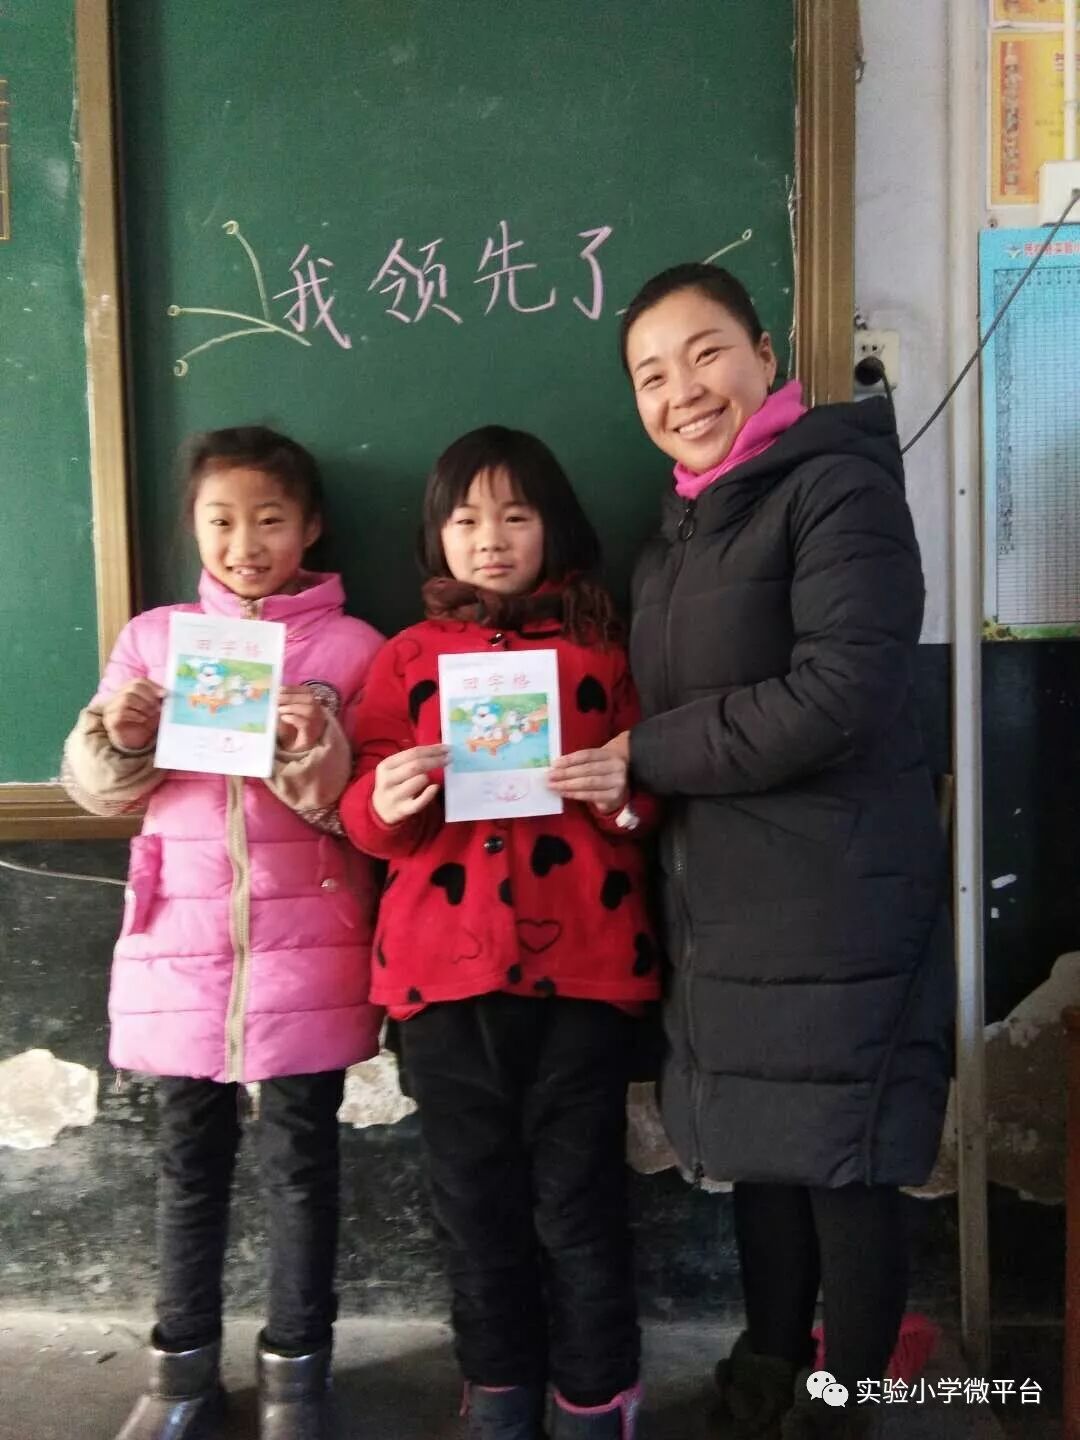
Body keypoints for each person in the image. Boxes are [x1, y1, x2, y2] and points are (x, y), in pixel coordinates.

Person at [613, 265, 953, 1439]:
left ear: (765, 355)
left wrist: (645, 755)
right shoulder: (671, 542)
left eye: (705, 352)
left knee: (843, 1160)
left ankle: (844, 1402)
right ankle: (767, 1367)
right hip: (725, 907)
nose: (683, 390)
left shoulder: (836, 490)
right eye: (651, 375)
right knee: (762, 1152)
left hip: (839, 900)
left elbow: (841, 692)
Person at [62, 426, 385, 1440]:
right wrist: (121, 736)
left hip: (311, 946)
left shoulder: (355, 648)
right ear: (194, 527)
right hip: (181, 943)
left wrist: (313, 747)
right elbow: (97, 791)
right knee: (185, 1164)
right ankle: (178, 1373)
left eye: (270, 520)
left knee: (301, 1166)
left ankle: (298, 1376)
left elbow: (366, 813)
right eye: (222, 521)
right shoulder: (156, 640)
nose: (246, 544)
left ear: (311, 527)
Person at [339, 425, 659, 1440]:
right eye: (467, 518)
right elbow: (364, 816)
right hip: (440, 977)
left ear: (553, 527)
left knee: (580, 1204)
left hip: (587, 972)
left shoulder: (605, 650)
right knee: (473, 1208)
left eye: (516, 516)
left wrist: (623, 792)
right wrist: (384, 797)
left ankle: (597, 1396)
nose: (490, 538)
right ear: (436, 535)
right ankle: (498, 1391)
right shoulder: (405, 658)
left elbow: (653, 803)